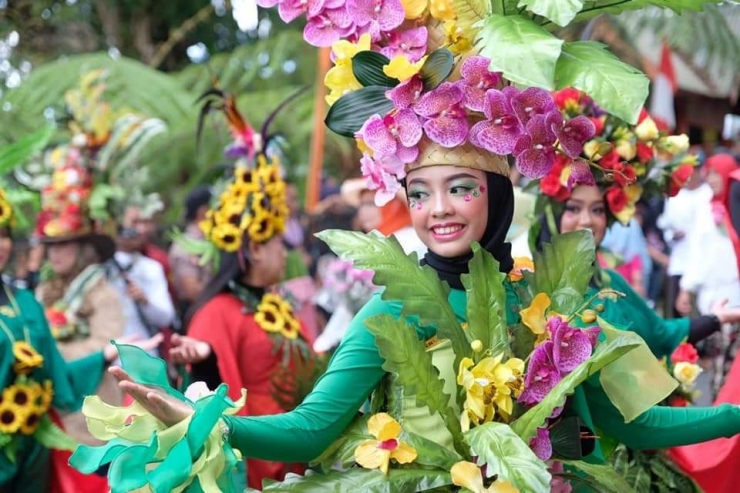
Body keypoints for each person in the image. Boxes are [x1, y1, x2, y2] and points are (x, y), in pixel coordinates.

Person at [69, 10, 740, 493]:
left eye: (459, 188)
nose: (438, 208)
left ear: (497, 198)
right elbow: (307, 431)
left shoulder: (548, 308)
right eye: (420, 192)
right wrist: (200, 417)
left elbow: (639, 422)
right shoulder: (389, 307)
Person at [658, 151, 713, 317]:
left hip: (703, 262)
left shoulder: (708, 193)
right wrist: (673, 235)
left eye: (693, 169)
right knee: (676, 312)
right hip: (679, 261)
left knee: (703, 312)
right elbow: (665, 227)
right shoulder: (675, 196)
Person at [168, 185, 214, 317]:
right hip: (197, 315)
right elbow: (192, 293)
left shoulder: (209, 239)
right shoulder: (185, 246)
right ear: (203, 211)